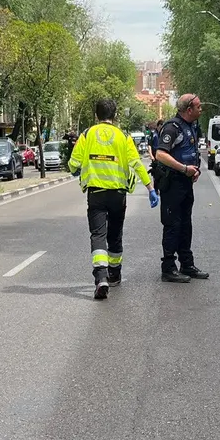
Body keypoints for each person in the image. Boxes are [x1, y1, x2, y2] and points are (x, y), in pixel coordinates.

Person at [68, 98, 158, 300]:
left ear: (96, 115)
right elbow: (136, 163)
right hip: (118, 194)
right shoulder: (123, 136)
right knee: (115, 235)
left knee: (98, 235)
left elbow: (73, 164)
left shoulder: (87, 134)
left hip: (96, 194)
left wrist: (76, 170)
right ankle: (115, 274)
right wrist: (150, 188)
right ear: (115, 115)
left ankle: (101, 278)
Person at [152, 94, 208, 283]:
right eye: (198, 107)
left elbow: (190, 152)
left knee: (185, 224)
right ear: (189, 109)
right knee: (172, 225)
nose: (201, 110)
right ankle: (168, 267)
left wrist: (195, 170)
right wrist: (184, 169)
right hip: (173, 183)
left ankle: (187, 264)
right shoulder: (172, 127)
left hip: (185, 183)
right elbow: (160, 154)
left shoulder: (192, 126)